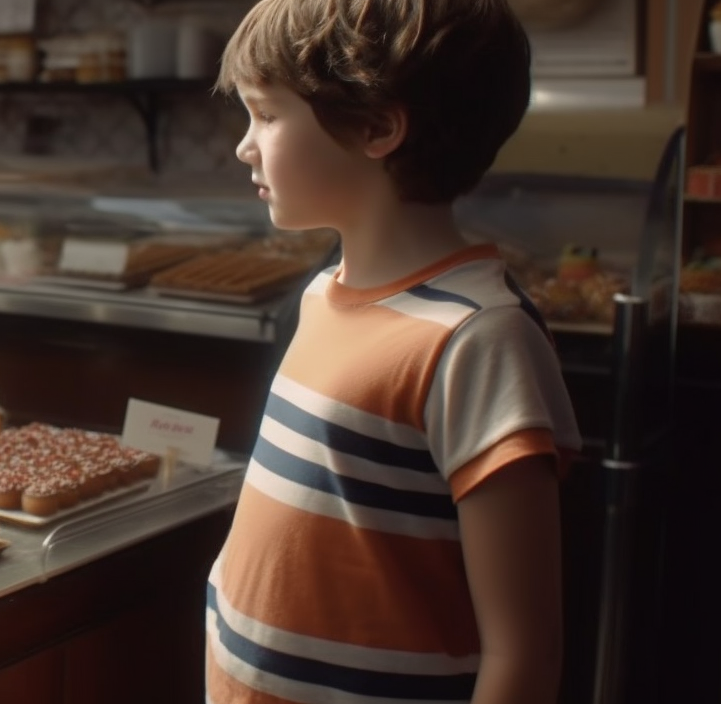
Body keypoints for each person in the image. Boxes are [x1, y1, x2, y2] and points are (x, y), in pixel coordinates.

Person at [205, 2, 581, 703]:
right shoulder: (322, 294)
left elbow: (525, 653)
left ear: (377, 127)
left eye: (267, 115)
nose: (244, 146)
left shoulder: (478, 340)